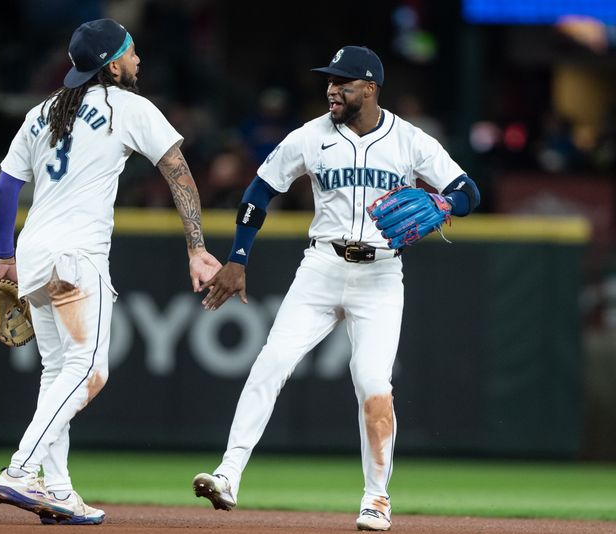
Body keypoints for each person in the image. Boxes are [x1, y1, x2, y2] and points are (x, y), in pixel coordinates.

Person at [192, 45, 480, 531]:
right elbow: (259, 191)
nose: (331, 89)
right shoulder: (310, 136)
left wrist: (443, 204)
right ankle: (229, 474)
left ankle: (377, 499)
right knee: (271, 362)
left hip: (382, 274)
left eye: (343, 82)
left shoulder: (409, 140)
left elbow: (468, 191)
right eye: (329, 80)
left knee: (372, 383)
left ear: (370, 89)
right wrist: (238, 257)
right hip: (321, 266)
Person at [0, 18, 221, 525]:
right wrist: (197, 248)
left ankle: (60, 491)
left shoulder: (40, 113)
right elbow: (178, 171)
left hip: (33, 254)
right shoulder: (129, 107)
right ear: (112, 64)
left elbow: (6, 188)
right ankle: (21, 469)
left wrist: (5, 256)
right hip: (76, 257)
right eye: (131, 52)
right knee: (90, 369)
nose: (138, 61)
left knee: (58, 374)